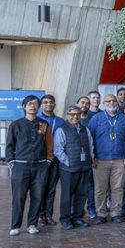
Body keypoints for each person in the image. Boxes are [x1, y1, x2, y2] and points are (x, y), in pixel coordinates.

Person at [7, 95, 54, 236]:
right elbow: (9, 146)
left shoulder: (44, 124)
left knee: (37, 196)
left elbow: (49, 145)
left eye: (35, 104)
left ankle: (32, 224)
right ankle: (15, 225)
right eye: (29, 104)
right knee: (18, 197)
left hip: (40, 167)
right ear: (24, 107)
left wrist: (48, 161)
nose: (32, 106)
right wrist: (11, 162)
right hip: (21, 166)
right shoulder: (16, 125)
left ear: (38, 107)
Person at [88, 94, 125, 224]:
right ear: (103, 103)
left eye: (113, 100)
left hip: (120, 160)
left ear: (117, 103)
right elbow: (89, 139)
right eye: (108, 101)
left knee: (118, 187)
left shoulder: (124, 119)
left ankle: (116, 212)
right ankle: (101, 213)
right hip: (100, 160)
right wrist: (93, 157)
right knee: (100, 188)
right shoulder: (96, 119)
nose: (111, 103)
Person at [53, 106, 93, 229]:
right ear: (67, 115)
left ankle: (77, 218)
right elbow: (58, 150)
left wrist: (90, 159)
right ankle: (65, 219)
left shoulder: (85, 129)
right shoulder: (61, 130)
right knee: (67, 195)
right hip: (68, 169)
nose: (75, 116)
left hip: (84, 167)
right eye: (72, 114)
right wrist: (68, 162)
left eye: (78, 114)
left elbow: (91, 146)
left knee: (81, 194)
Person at [37, 94, 65, 226]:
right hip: (40, 159)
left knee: (51, 188)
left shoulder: (61, 121)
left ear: (54, 104)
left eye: (51, 102)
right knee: (39, 188)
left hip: (55, 159)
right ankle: (39, 215)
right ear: (41, 105)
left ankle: (48, 215)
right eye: (45, 102)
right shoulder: (36, 120)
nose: (48, 104)